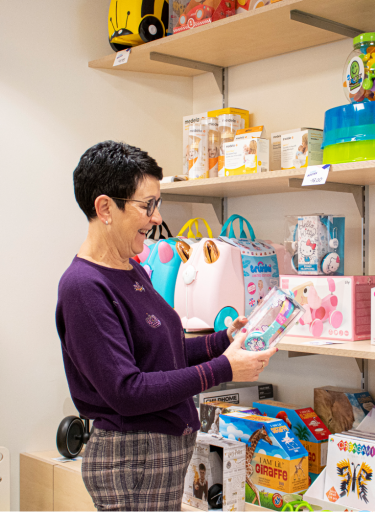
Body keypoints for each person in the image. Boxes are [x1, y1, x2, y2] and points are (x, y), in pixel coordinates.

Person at [56, 141, 276, 511]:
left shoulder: (132, 269)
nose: (157, 218)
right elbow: (127, 390)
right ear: (105, 208)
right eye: (148, 206)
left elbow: (162, 353)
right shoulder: (84, 287)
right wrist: (224, 368)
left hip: (156, 453)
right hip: (133, 456)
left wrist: (225, 340)